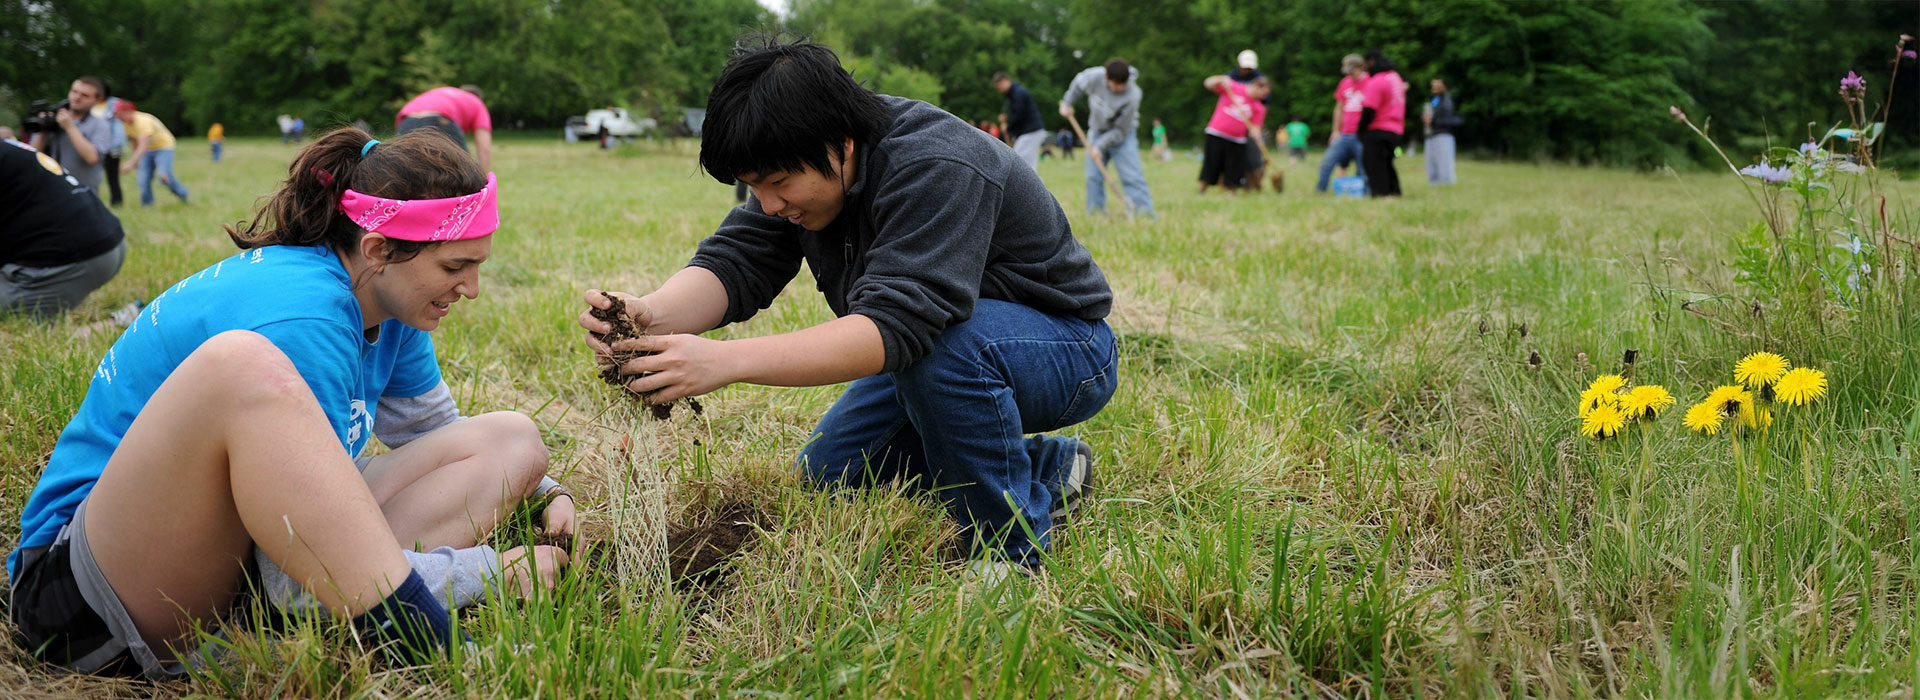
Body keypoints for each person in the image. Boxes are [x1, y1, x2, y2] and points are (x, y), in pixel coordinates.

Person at [7, 128, 574, 680]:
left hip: (231, 562)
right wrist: (492, 573)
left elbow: (437, 433)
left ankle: (323, 609)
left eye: (478, 265)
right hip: (87, 598)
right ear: (377, 249)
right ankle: (423, 635)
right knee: (241, 364)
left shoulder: (385, 296)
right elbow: (292, 579)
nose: (471, 289)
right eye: (455, 267)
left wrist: (541, 489)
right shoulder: (306, 315)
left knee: (512, 440)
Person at [580, 37, 1116, 576]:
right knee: (830, 474)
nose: (767, 204)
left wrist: (722, 362)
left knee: (948, 351)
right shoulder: (802, 162)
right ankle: (1050, 465)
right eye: (752, 187)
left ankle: (1007, 552)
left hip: (1065, 349)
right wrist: (650, 312)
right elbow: (737, 263)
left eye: (778, 184)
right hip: (940, 348)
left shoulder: (937, 163)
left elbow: (897, 327)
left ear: (841, 144)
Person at [1, 140, 127, 318]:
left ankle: (124, 321)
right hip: (108, 241)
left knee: (11, 314)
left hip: (77, 259)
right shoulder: (8, 147)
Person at [1060, 59, 1154, 215]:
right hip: (1096, 131)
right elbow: (1078, 84)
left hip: (1123, 136)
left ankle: (1144, 213)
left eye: (1122, 84)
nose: (1119, 88)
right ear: (1106, 77)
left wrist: (1099, 146)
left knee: (1131, 176)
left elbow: (1120, 131)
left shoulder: (1133, 95)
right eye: (1115, 84)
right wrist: (1068, 102)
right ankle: (1096, 213)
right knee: (1093, 177)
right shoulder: (1094, 77)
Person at [27, 77, 112, 196]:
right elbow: (31, 155)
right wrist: (43, 130)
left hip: (83, 193)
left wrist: (70, 127)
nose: (77, 97)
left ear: (97, 101)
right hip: (50, 190)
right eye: (74, 91)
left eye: (85, 95)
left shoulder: (101, 125)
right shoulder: (52, 119)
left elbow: (92, 157)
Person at [1197, 74, 1268, 194]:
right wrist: (1220, 79)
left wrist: (1256, 133)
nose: (1263, 96)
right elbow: (1207, 83)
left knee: (1234, 170)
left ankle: (1231, 193)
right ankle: (1201, 190)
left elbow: (1256, 128)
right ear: (1256, 86)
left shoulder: (1259, 107)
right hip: (1217, 133)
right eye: (1263, 92)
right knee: (1211, 164)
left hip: (1237, 139)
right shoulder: (1233, 87)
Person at [396, 87, 494, 172]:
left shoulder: (444, 92)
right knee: (463, 171)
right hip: (440, 119)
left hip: (407, 119)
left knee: (404, 169)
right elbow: (484, 148)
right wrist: (482, 181)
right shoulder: (477, 102)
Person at [115, 101, 190, 206]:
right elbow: (134, 141)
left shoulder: (143, 121)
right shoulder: (126, 125)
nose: (117, 117)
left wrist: (131, 163)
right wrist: (136, 161)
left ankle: (183, 194)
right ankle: (147, 205)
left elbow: (143, 145)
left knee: (163, 176)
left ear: (128, 111)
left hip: (164, 147)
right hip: (147, 150)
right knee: (143, 180)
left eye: (118, 113)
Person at [1315, 55, 1368, 193]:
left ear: (1362, 68)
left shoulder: (1371, 82)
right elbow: (1339, 107)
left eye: (1353, 71)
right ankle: (1320, 190)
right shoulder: (1345, 83)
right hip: (1344, 133)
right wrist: (1335, 130)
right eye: (1348, 71)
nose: (1350, 74)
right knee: (1327, 162)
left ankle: (1366, 191)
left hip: (1361, 134)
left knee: (1364, 166)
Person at [1358, 49, 1406, 197]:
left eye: (1366, 66)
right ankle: (1394, 192)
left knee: (1373, 164)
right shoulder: (1395, 77)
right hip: (1396, 129)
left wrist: (1360, 130)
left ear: (1372, 62)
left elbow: (1369, 110)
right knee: (1387, 162)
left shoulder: (1377, 80)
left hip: (1378, 129)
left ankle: (1380, 194)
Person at [1227, 50, 1268, 192]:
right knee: (1235, 157)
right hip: (1233, 123)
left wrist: (1257, 126)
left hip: (1252, 124)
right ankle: (1232, 183)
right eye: (1245, 67)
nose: (1247, 70)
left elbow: (1264, 105)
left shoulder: (1260, 80)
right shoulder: (1230, 78)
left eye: (1250, 67)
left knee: (1254, 159)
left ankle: (1254, 184)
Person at [992, 71, 1048, 172]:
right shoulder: (1014, 94)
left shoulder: (1018, 94)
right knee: (1025, 164)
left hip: (1031, 131)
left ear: (1004, 80)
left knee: (1022, 164)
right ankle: (1033, 187)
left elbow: (1018, 115)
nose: (999, 90)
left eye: (999, 86)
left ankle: (1033, 187)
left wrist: (1008, 126)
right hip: (1029, 131)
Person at [92, 96, 128, 207]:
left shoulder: (114, 104)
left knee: (113, 177)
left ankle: (116, 202)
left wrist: (117, 147)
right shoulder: (90, 105)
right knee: (94, 176)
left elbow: (118, 128)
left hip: (111, 148)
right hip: (94, 147)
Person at [1425, 79, 1461, 186]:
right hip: (1432, 134)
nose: (1434, 87)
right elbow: (1432, 113)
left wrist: (1433, 120)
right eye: (1433, 85)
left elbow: (1448, 118)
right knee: (1432, 161)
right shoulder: (1435, 100)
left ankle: (1447, 182)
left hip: (1443, 134)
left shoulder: (1447, 101)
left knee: (1444, 161)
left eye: (1437, 85)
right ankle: (1434, 182)